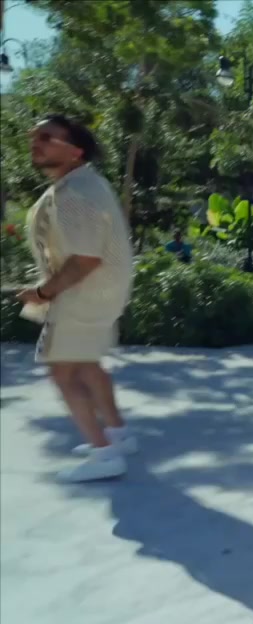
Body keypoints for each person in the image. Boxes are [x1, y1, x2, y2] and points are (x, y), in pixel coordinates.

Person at [17, 114, 136, 484]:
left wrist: (42, 292)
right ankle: (116, 434)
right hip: (99, 294)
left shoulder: (74, 194)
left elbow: (85, 259)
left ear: (75, 151)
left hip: (82, 296)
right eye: (35, 136)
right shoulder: (83, 184)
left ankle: (104, 454)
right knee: (86, 365)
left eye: (47, 137)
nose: (36, 142)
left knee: (62, 370)